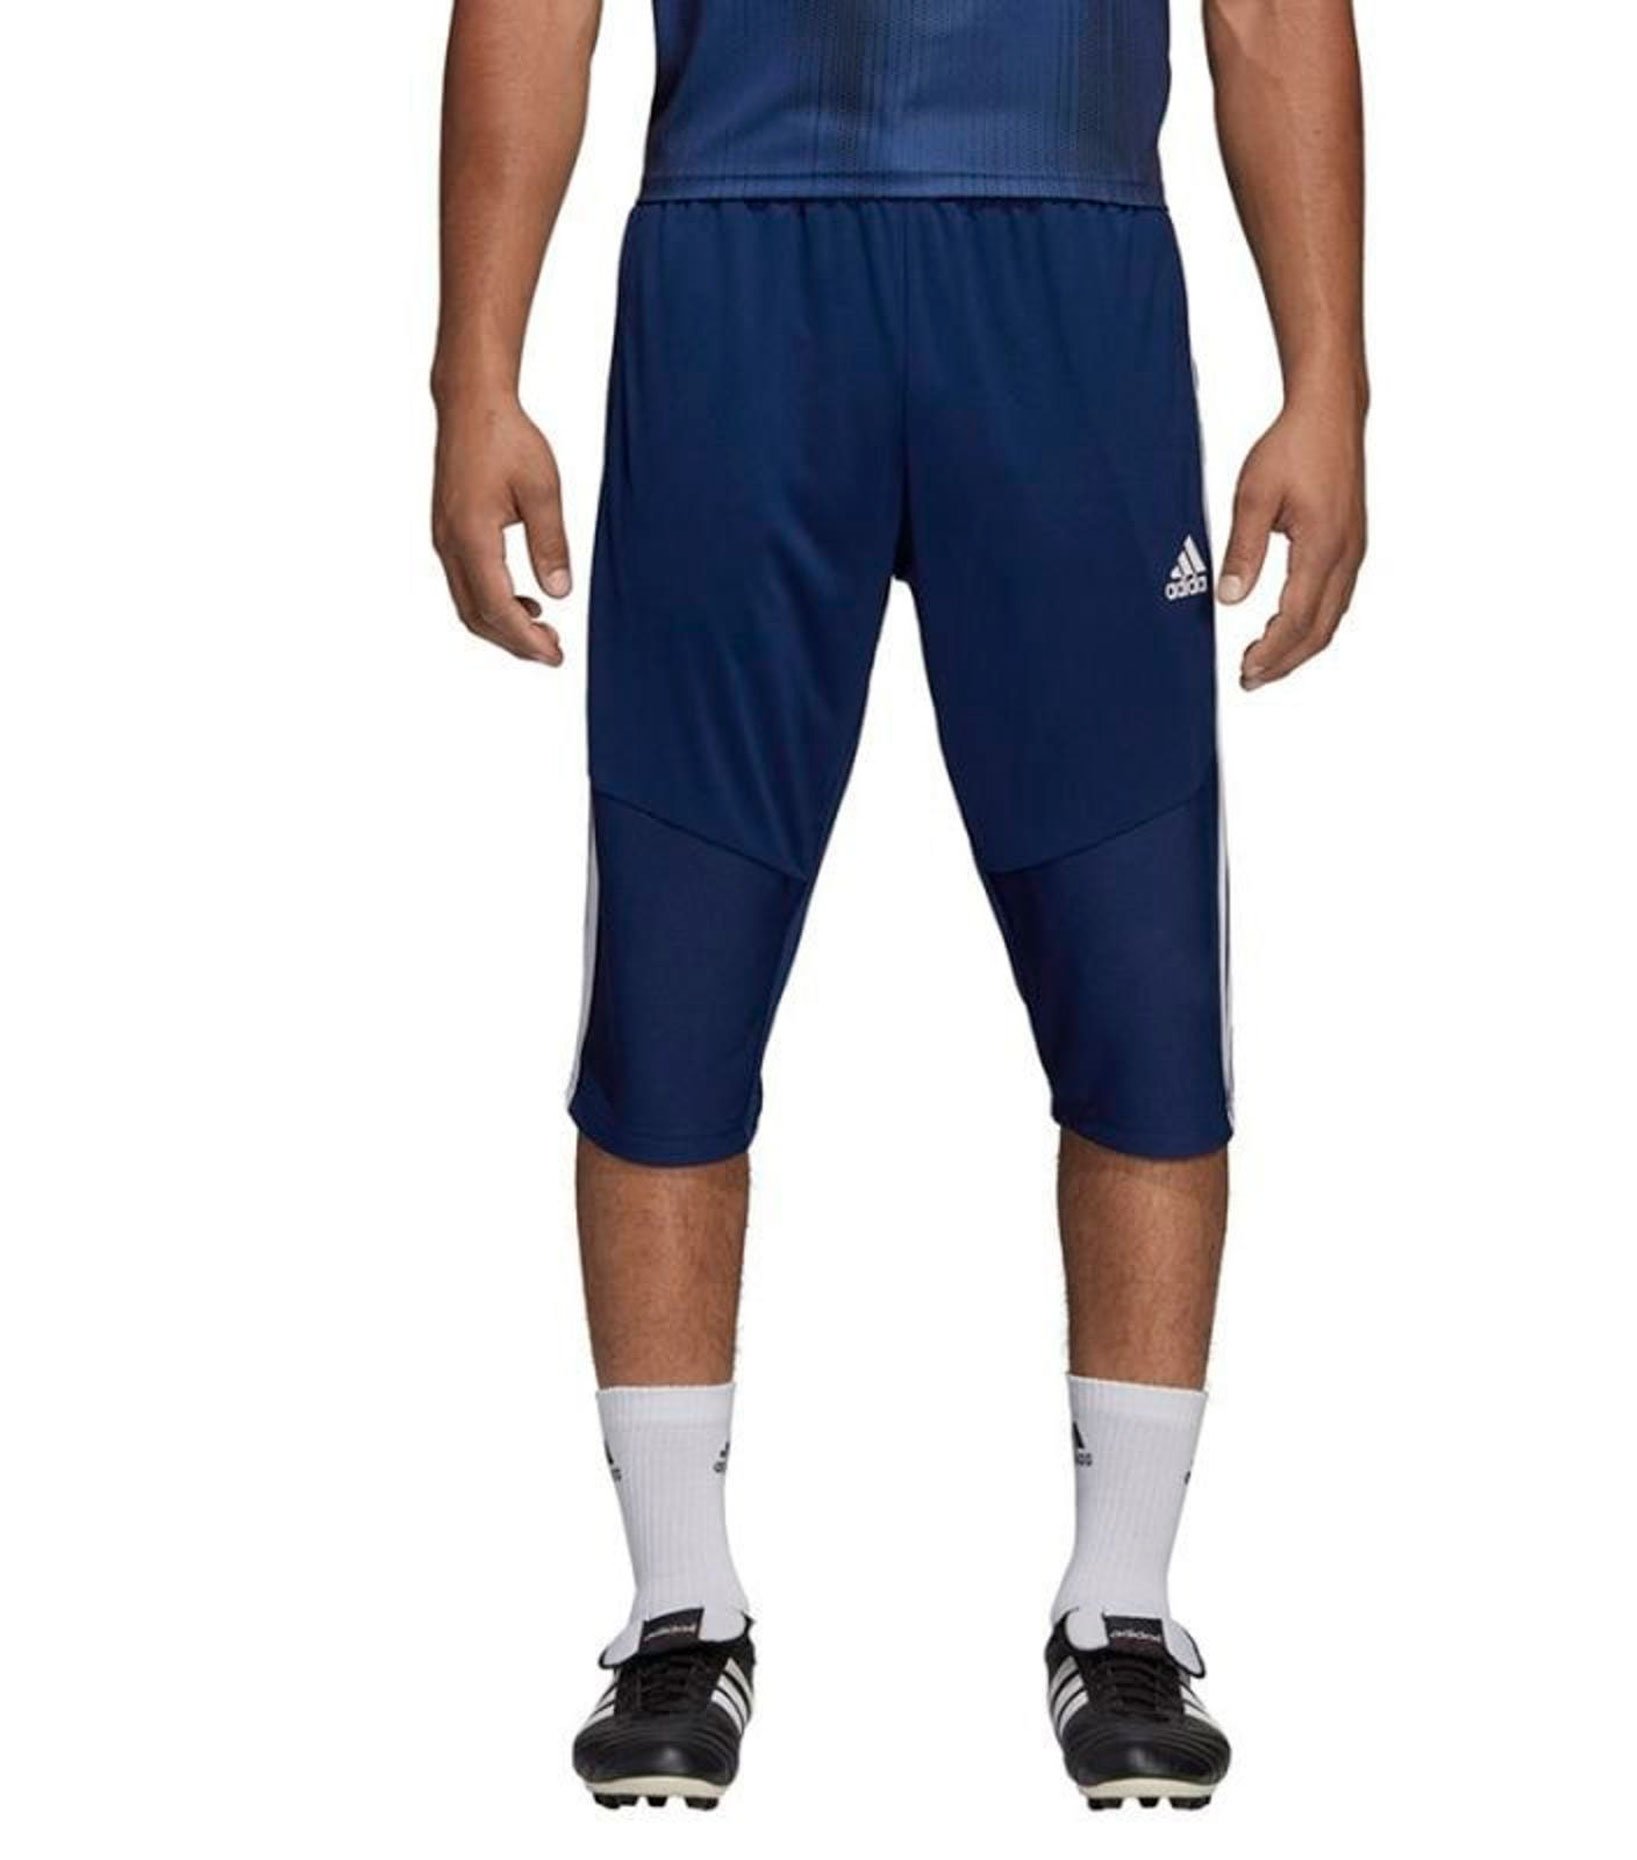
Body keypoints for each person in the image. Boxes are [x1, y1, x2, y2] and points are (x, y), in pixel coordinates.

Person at [431, 0, 1366, 1813]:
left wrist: (1329, 379)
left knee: (1138, 964)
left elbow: (1266, 11)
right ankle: (679, 1609)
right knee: (678, 962)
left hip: (1072, 266)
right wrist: (475, 372)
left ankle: (1124, 1608)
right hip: (739, 269)